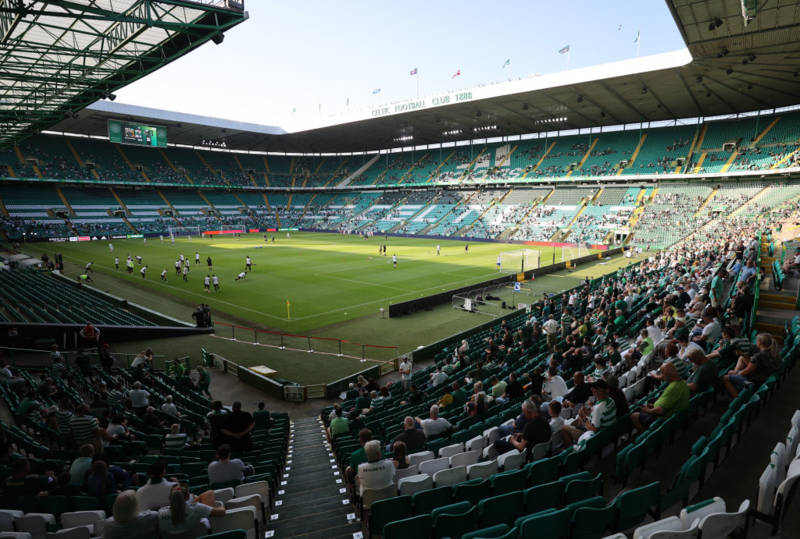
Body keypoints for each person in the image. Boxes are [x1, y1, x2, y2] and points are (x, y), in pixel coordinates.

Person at [632, 363, 690, 432]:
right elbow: (670, 403)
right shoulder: (683, 383)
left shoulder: (673, 388)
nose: (661, 376)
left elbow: (660, 411)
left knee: (634, 415)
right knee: (646, 405)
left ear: (666, 375)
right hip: (673, 415)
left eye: (662, 373)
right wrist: (653, 406)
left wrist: (646, 410)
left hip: (664, 420)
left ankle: (648, 435)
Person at [722, 333, 779, 397]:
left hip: (753, 382)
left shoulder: (758, 356)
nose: (756, 342)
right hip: (764, 377)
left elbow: (746, 371)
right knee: (737, 365)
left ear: (760, 343)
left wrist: (736, 373)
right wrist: (743, 355)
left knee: (725, 378)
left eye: (757, 340)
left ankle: (737, 398)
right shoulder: (771, 352)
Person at [158, 484, 224, 536]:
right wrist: (221, 504)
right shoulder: (197, 508)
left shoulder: (160, 513)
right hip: (198, 535)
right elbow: (222, 512)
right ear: (188, 497)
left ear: (170, 498)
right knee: (209, 493)